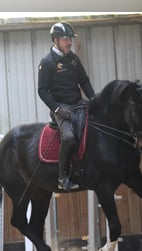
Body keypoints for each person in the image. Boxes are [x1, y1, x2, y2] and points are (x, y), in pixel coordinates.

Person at [38, 22, 96, 191]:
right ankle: (63, 177)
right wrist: (57, 109)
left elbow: (84, 81)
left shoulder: (73, 59)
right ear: (55, 40)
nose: (69, 42)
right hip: (61, 108)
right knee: (69, 137)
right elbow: (42, 91)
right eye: (65, 39)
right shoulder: (47, 62)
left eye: (70, 38)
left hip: (78, 104)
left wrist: (93, 98)